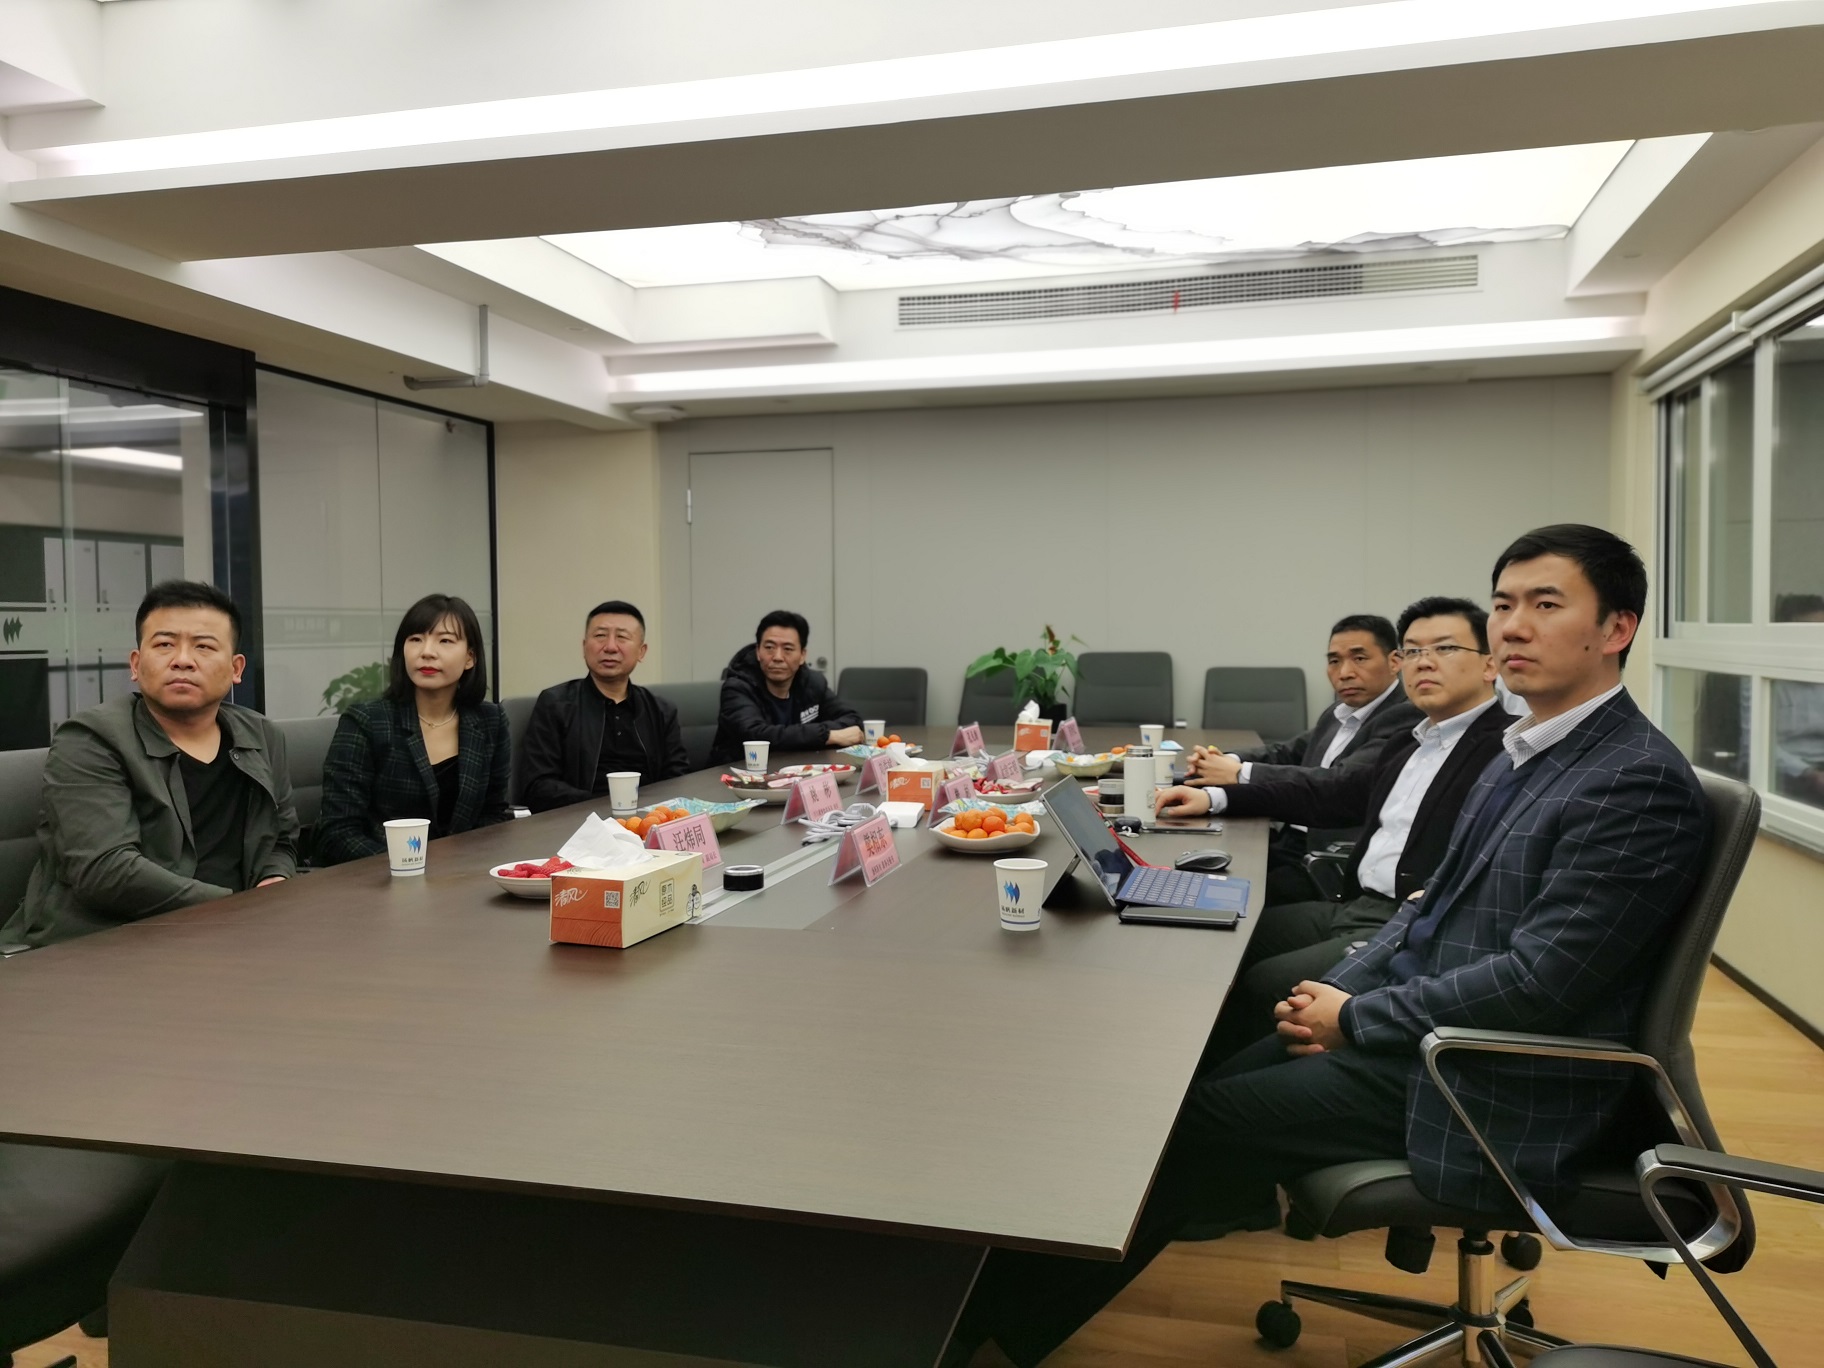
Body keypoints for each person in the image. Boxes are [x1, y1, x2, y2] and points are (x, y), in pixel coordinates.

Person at [945, 525, 1711, 1368]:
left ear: (1617, 628)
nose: (1515, 626)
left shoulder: (1632, 781)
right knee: (1181, 1096)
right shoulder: (1527, 750)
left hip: (1486, 1076)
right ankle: (981, 1309)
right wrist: (1339, 990)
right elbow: (1428, 909)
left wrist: (1360, 1018)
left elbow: (1541, 983)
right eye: (1504, 604)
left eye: (1546, 604)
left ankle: (976, 1335)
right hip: (1428, 1034)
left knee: (1183, 1132)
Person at [1158, 596, 1509, 1068]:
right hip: (1353, 902)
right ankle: (1181, 1060)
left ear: (1490, 664)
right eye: (1413, 650)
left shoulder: (1505, 750)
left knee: (1265, 981)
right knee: (1224, 930)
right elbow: (1335, 796)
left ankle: (1204, 1083)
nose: (1424, 662)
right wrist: (1216, 797)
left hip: (1402, 918)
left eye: (1444, 648)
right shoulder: (1412, 741)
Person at [1, 580, 298, 948]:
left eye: (204, 646)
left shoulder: (262, 736)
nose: (183, 660)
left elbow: (280, 840)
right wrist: (235, 907)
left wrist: (274, 883)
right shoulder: (91, 738)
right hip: (112, 941)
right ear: (136, 664)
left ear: (236, 668)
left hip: (235, 932)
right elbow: (104, 870)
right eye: (164, 645)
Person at [1185, 614, 1421, 905]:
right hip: (1289, 841)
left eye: (1359, 659)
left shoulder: (1404, 716)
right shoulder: (1340, 712)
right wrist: (1222, 759)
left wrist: (1238, 772)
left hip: (1324, 860)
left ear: (1395, 661)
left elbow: (1338, 784)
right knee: (1194, 874)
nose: (1344, 672)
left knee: (1219, 898)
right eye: (1334, 661)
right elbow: (1287, 752)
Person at [313, 594, 511, 866]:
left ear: (470, 657)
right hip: (380, 877)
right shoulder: (367, 722)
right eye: (416, 639)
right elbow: (337, 833)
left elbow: (493, 814)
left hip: (461, 876)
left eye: (445, 641)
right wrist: (412, 867)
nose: (427, 652)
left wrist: (462, 867)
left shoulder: (490, 721)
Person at [519, 600, 690, 813]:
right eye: (600, 636)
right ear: (584, 647)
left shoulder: (661, 710)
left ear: (641, 651)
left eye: (622, 637)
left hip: (649, 819)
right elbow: (538, 786)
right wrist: (607, 806)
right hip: (578, 819)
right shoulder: (555, 704)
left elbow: (677, 780)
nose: (610, 647)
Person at [708, 610, 863, 765]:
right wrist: (827, 735)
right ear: (758, 652)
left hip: (796, 769)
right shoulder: (737, 688)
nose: (777, 657)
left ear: (802, 655)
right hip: (740, 772)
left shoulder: (813, 683)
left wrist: (814, 735)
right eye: (769, 647)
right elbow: (756, 735)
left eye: (788, 649)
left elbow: (852, 720)